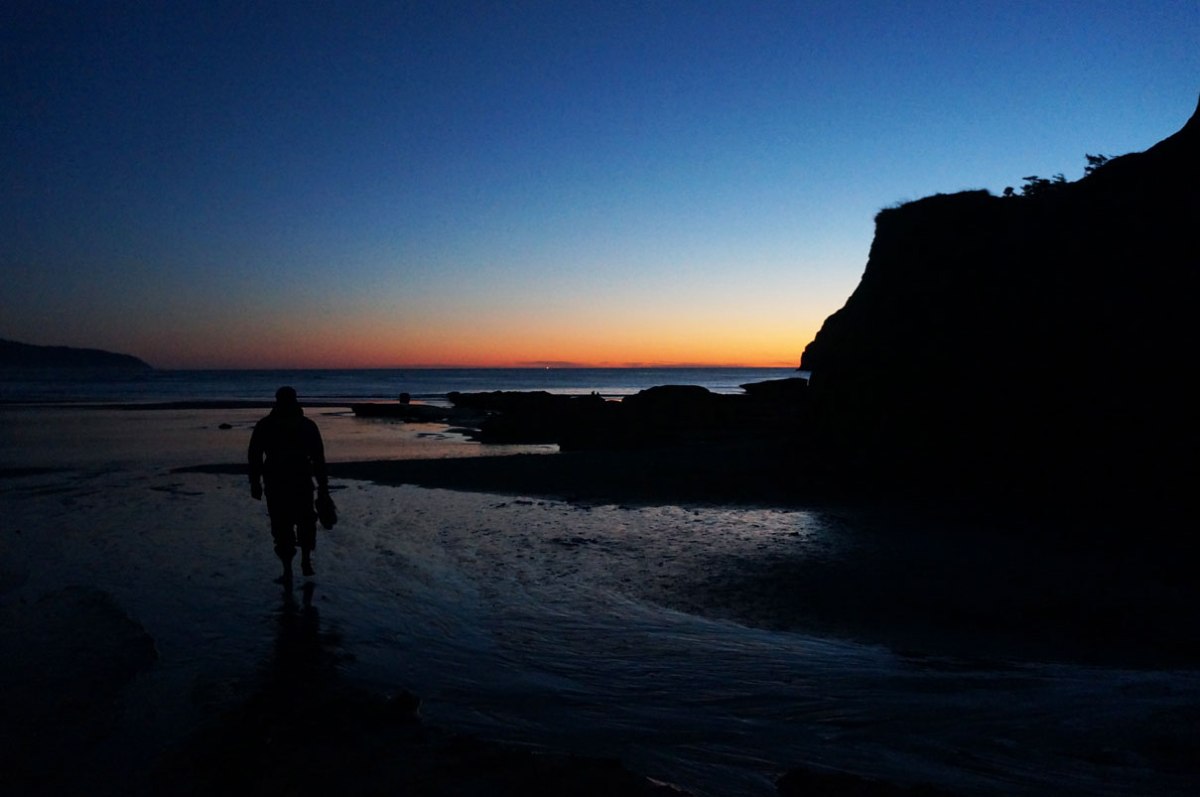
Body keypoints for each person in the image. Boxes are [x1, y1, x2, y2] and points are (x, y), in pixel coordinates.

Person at [248, 386, 329, 584]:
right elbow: (318, 458)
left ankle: (290, 569)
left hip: (279, 482)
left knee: (284, 526)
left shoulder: (266, 425)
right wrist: (323, 486)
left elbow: (255, 456)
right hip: (296, 480)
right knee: (302, 523)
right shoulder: (306, 425)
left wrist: (255, 483)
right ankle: (303, 562)